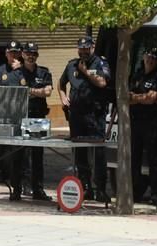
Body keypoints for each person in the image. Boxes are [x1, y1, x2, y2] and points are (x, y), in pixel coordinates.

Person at [59, 35, 112, 203]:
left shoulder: (100, 63)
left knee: (98, 153)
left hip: (94, 115)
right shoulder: (71, 65)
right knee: (80, 153)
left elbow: (102, 82)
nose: (83, 51)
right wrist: (62, 97)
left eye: (86, 48)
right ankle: (86, 186)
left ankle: (101, 189)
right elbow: (61, 83)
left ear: (92, 47)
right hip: (76, 116)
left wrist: (86, 72)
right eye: (81, 48)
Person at [128, 46, 157, 205]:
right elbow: (127, 98)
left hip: (151, 124)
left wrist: (136, 97)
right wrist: (142, 98)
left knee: (154, 159)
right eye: (148, 56)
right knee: (134, 159)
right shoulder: (136, 75)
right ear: (143, 56)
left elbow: (152, 98)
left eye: (153, 57)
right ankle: (136, 190)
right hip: (136, 122)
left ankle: (156, 194)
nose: (150, 59)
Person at [16, 41, 53, 201]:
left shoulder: (44, 73)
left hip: (38, 118)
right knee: (20, 154)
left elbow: (48, 92)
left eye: (34, 54)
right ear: (23, 54)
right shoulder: (16, 74)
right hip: (22, 117)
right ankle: (19, 188)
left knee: (37, 155)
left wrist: (30, 91)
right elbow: (17, 94)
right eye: (28, 53)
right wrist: (38, 91)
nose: (31, 56)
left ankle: (38, 189)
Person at [0, 41, 23, 197]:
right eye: (11, 52)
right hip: (1, 116)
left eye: (16, 52)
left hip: (20, 117)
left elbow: (28, 88)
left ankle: (19, 185)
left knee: (19, 154)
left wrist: (21, 71)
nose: (13, 55)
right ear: (6, 53)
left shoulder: (25, 70)